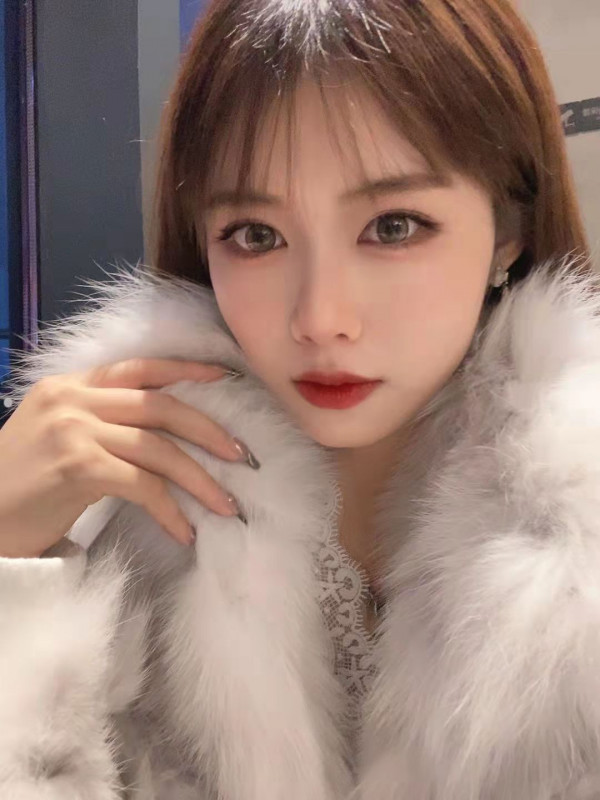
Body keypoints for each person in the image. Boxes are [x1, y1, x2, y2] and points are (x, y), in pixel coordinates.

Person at [0, 0, 598, 797]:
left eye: (394, 226)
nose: (320, 318)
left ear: (507, 234)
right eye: (256, 235)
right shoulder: (111, 511)